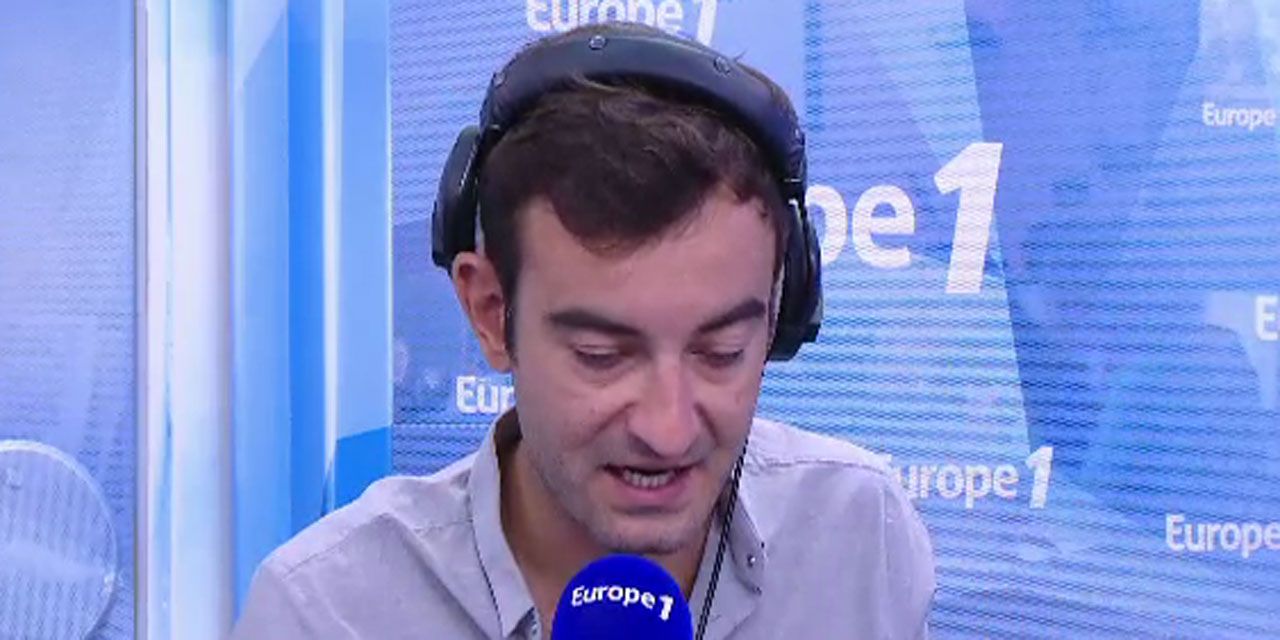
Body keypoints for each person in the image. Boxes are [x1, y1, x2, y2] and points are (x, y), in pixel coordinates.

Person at [233, 21, 935, 640]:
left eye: (721, 352)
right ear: (491, 313)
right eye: (601, 356)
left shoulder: (860, 536)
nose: (668, 431)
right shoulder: (324, 613)